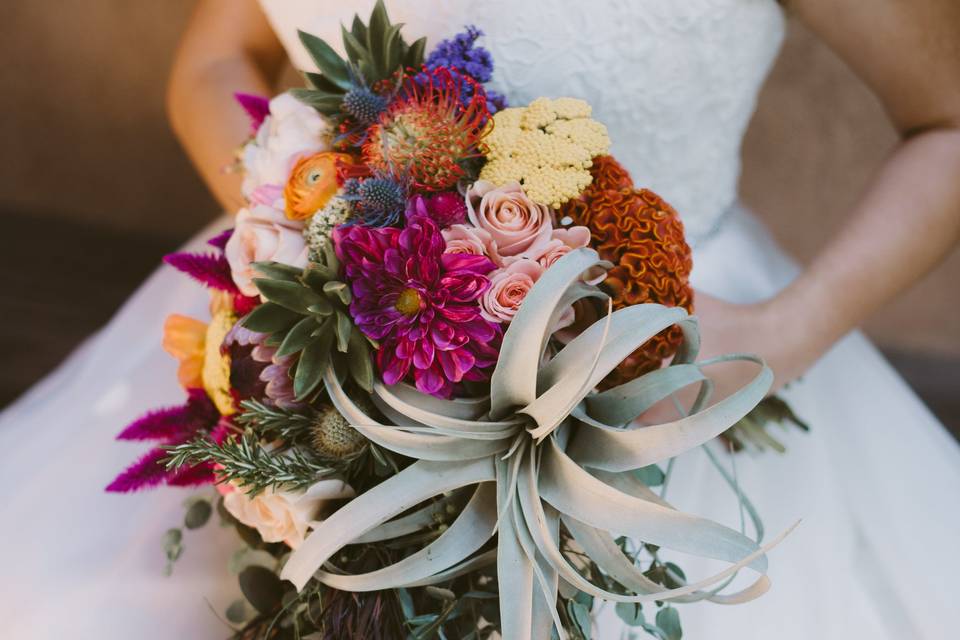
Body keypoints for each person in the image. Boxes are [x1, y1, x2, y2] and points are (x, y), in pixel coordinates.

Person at [1, 0, 958, 638]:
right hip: (306, 318)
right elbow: (212, 61)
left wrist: (782, 335)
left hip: (654, 369)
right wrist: (299, 220)